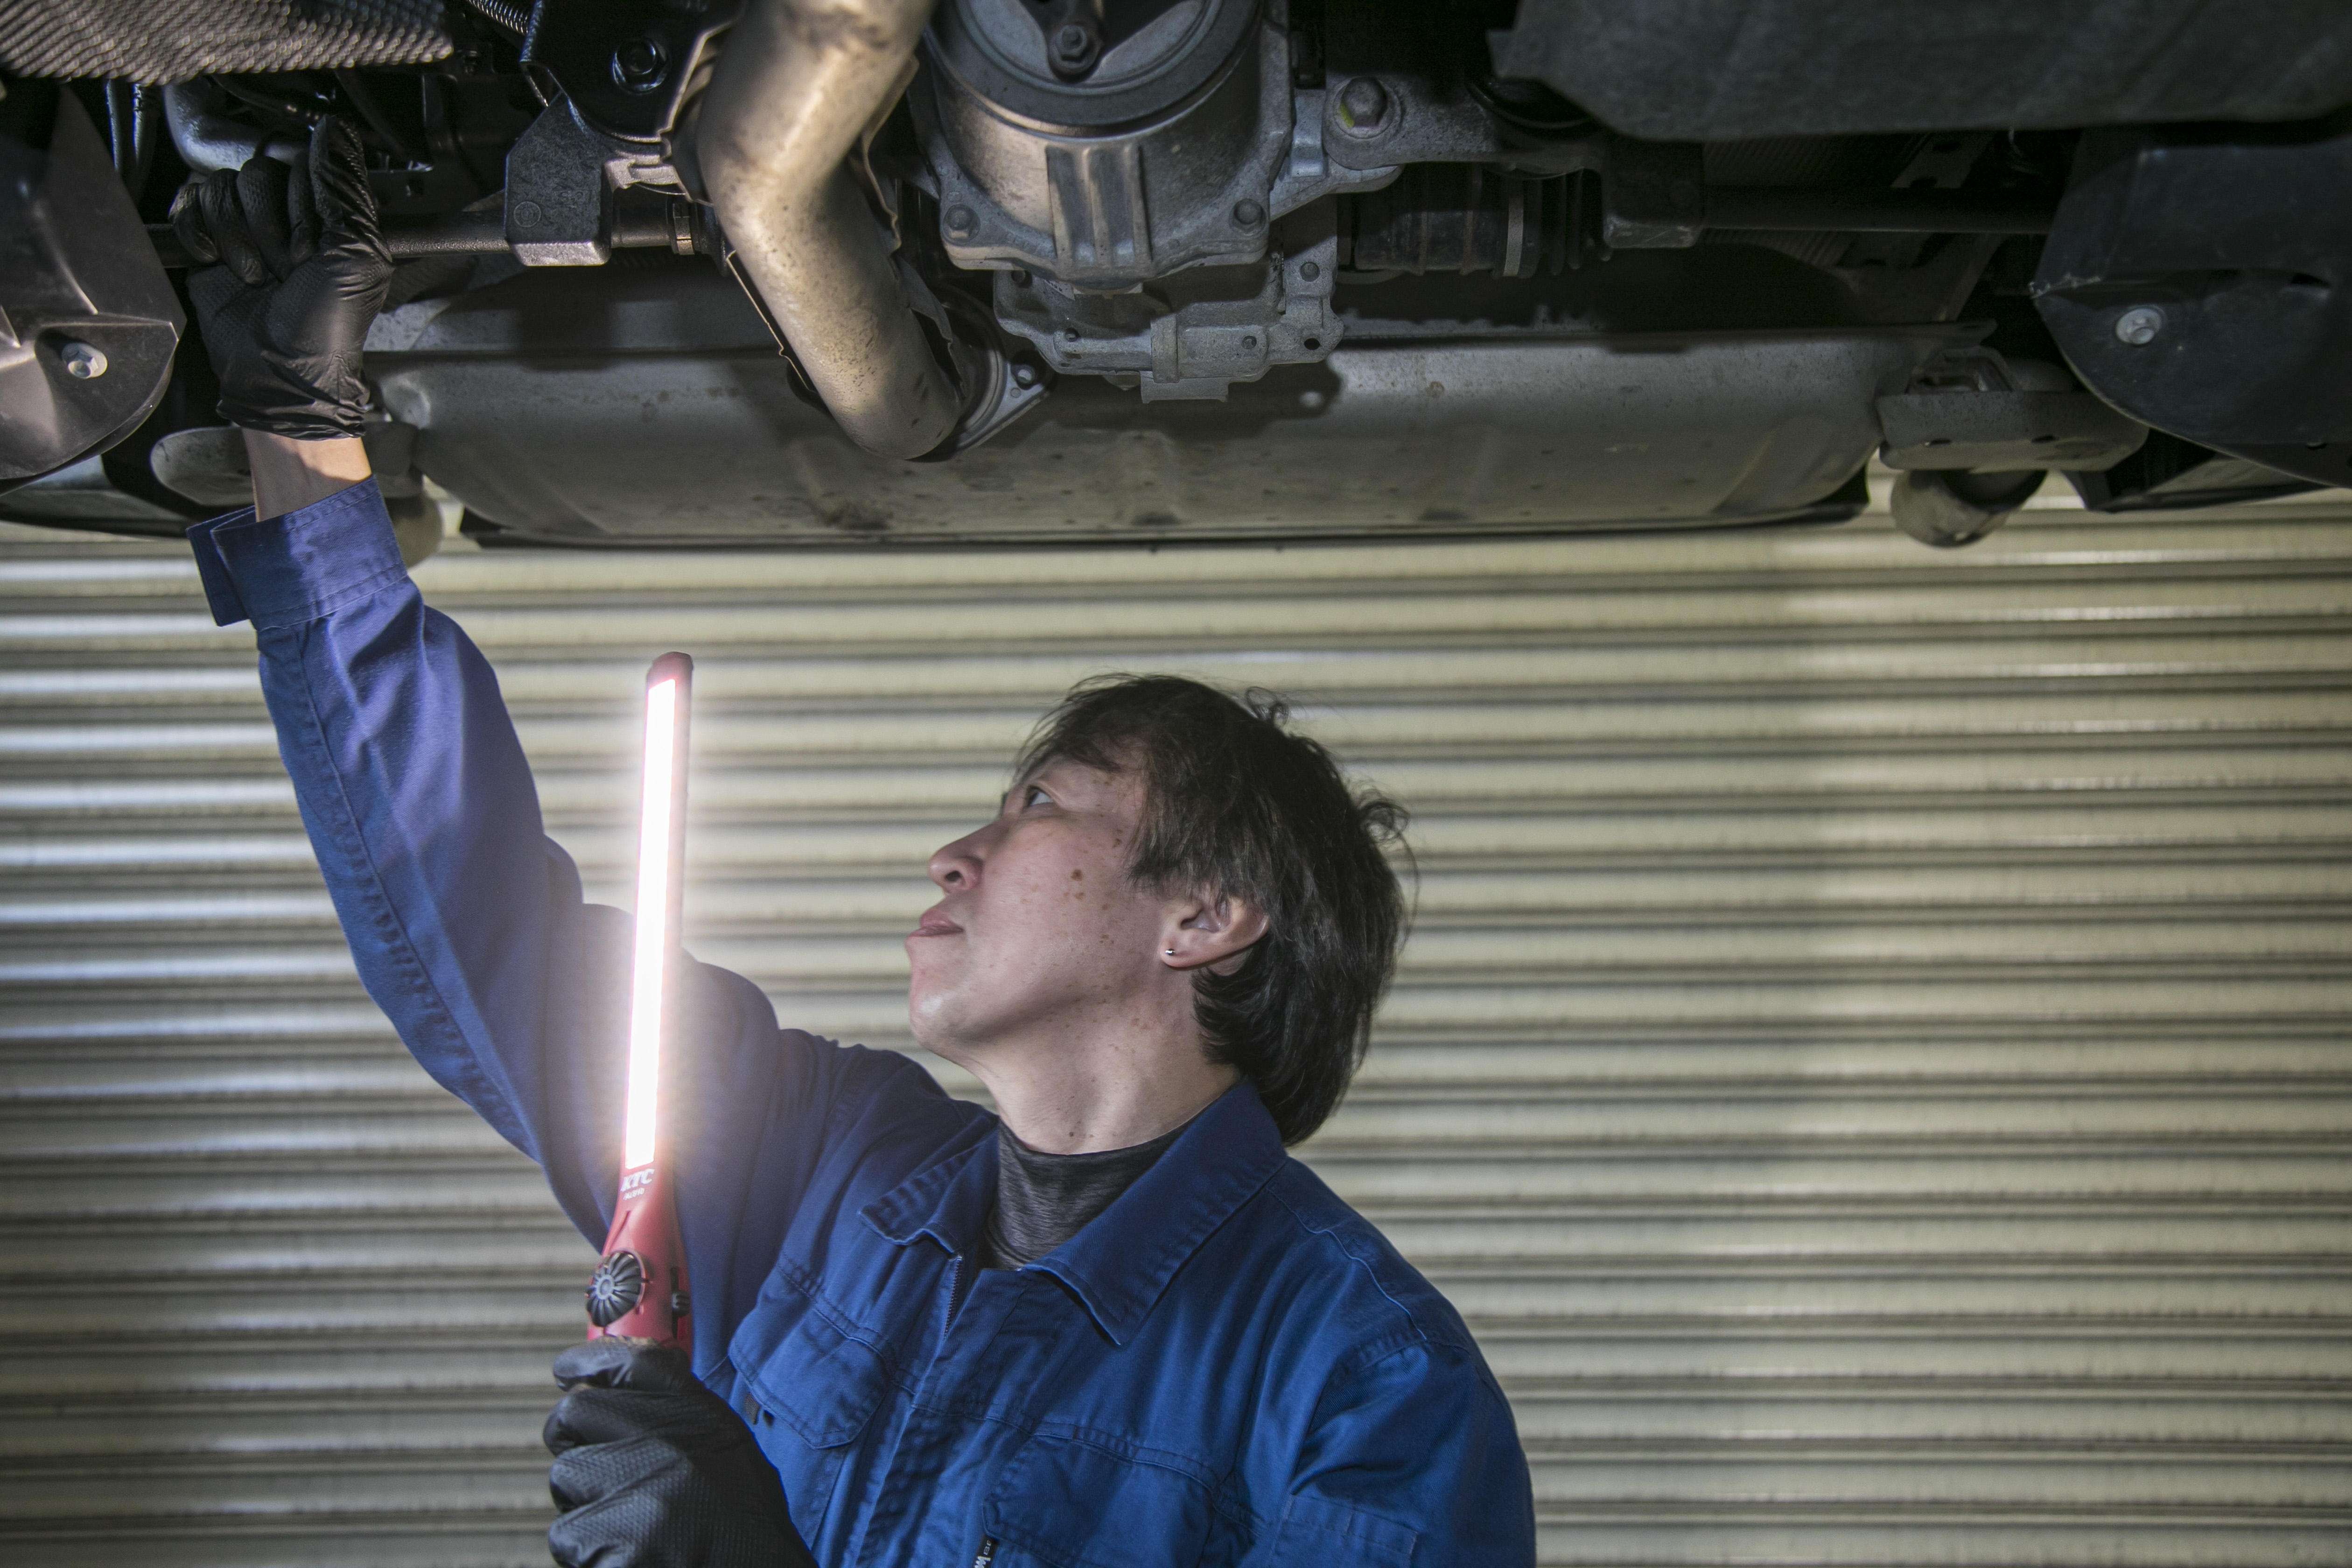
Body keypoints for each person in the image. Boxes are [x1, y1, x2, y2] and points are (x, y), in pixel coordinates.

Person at [173, 118, 1536, 1568]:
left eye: (1043, 804)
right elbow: (477, 918)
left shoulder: (1366, 1390)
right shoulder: (815, 1158)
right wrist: (302, 438)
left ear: (1206, 911)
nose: (954, 854)